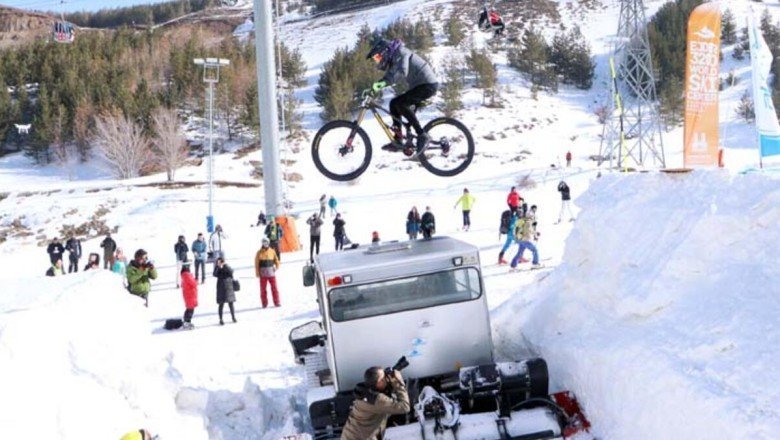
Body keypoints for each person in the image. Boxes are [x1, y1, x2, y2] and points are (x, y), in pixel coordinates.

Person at [366, 36, 438, 155]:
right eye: (375, 59)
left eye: (377, 57)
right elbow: (388, 77)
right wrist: (375, 87)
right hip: (420, 86)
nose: (377, 61)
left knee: (401, 103)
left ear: (384, 51)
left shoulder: (401, 52)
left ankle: (422, 135)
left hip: (428, 85)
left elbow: (402, 72)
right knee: (394, 103)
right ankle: (398, 139)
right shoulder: (394, 58)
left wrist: (381, 84)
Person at [340, 366, 410, 440]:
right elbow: (405, 407)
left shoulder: (366, 391)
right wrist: (398, 383)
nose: (386, 378)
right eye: (384, 377)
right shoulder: (376, 400)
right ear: (379, 382)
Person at [255, 237, 281, 308]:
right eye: (264, 243)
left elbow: (276, 260)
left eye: (266, 242)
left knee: (274, 288)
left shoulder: (272, 251)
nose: (265, 244)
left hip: (271, 273)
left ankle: (277, 302)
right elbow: (256, 264)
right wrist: (257, 273)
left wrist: (277, 266)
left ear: (268, 243)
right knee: (263, 289)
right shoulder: (259, 253)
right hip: (263, 274)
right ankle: (264, 303)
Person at [213, 257, 237, 325]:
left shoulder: (227, 266)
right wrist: (218, 267)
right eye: (218, 262)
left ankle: (233, 317)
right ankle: (221, 319)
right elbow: (214, 274)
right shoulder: (217, 268)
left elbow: (231, 271)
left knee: (231, 303)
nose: (219, 263)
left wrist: (225, 265)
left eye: (220, 262)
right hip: (221, 287)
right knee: (221, 304)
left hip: (228, 286)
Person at [181, 264, 198, 330]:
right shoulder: (187, 275)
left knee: (188, 309)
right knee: (191, 309)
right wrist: (195, 280)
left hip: (188, 295)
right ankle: (187, 322)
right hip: (190, 295)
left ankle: (186, 321)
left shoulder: (184, 275)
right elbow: (194, 284)